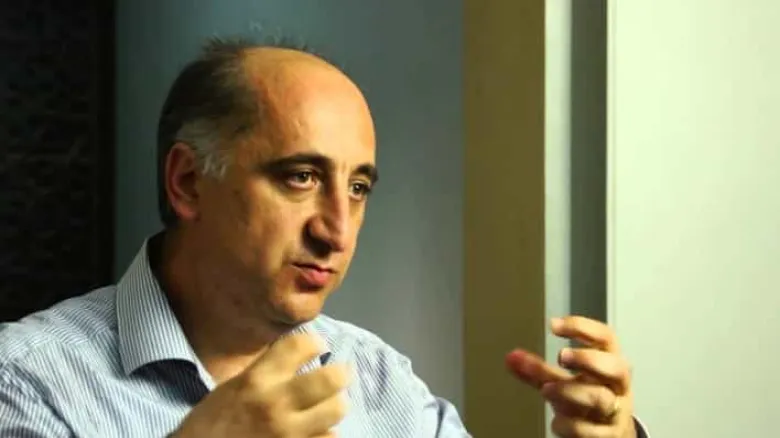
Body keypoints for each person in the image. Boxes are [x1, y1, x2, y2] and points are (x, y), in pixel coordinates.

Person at [0, 37, 649, 437]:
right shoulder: (27, 380)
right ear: (189, 182)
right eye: (301, 177)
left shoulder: (377, 379)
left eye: (359, 187)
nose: (337, 230)